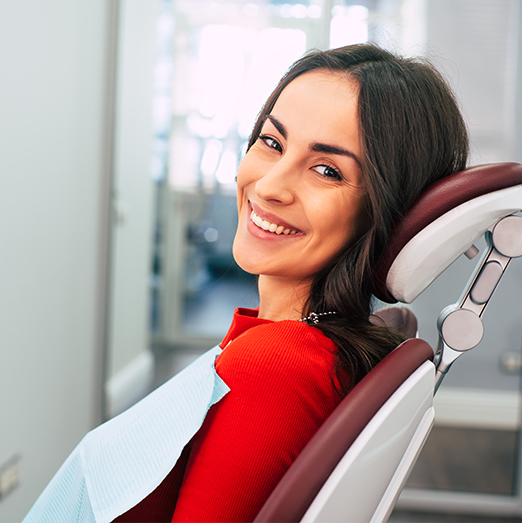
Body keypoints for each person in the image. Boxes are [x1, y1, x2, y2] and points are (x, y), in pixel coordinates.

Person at [23, 43, 469, 523]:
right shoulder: (293, 346)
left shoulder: (277, 368)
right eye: (271, 142)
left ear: (388, 209)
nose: (270, 185)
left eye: (327, 170)